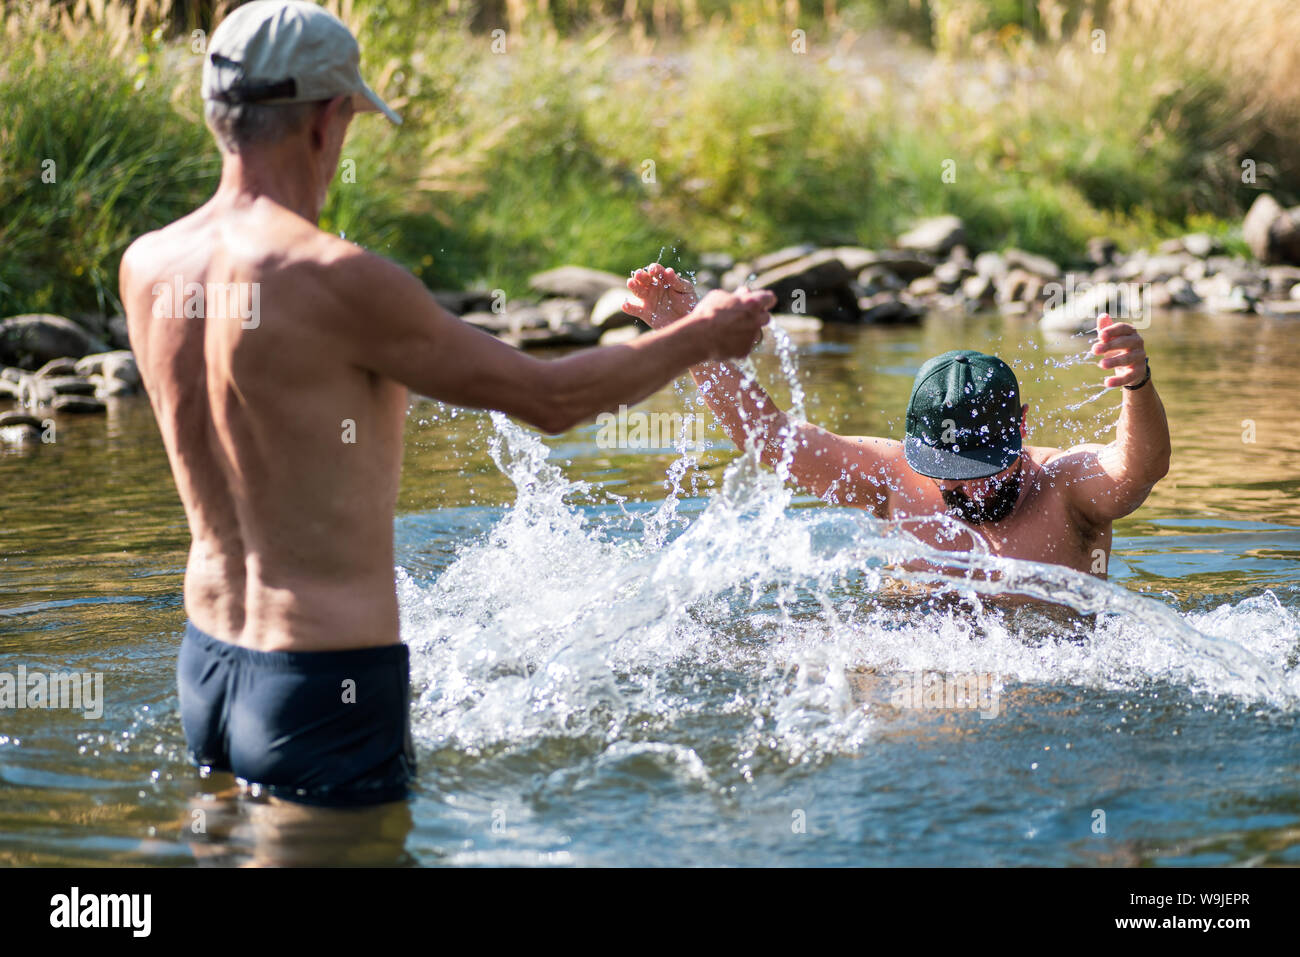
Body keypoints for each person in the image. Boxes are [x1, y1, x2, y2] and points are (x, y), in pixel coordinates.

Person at [118, 1, 774, 807]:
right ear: (327, 121)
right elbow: (553, 397)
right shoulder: (336, 280)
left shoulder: (148, 266)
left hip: (208, 664)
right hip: (324, 680)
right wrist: (702, 336)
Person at [624, 263, 1171, 578]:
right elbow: (770, 438)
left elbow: (1137, 469)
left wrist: (1137, 385)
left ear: (1021, 427)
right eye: (947, 468)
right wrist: (688, 334)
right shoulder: (891, 477)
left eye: (985, 465)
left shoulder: (1065, 488)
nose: (969, 487)